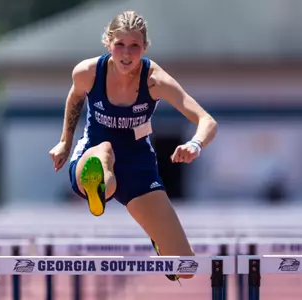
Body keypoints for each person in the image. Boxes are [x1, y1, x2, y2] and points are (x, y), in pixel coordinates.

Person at [49, 11, 218, 281]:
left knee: (185, 269)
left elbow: (207, 120)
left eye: (134, 46)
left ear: (144, 47)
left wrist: (195, 144)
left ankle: (160, 243)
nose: (126, 54)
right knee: (105, 152)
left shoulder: (155, 80)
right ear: (108, 43)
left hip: (137, 164)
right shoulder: (88, 72)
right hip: (92, 154)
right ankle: (99, 185)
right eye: (120, 45)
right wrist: (64, 143)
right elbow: (76, 97)